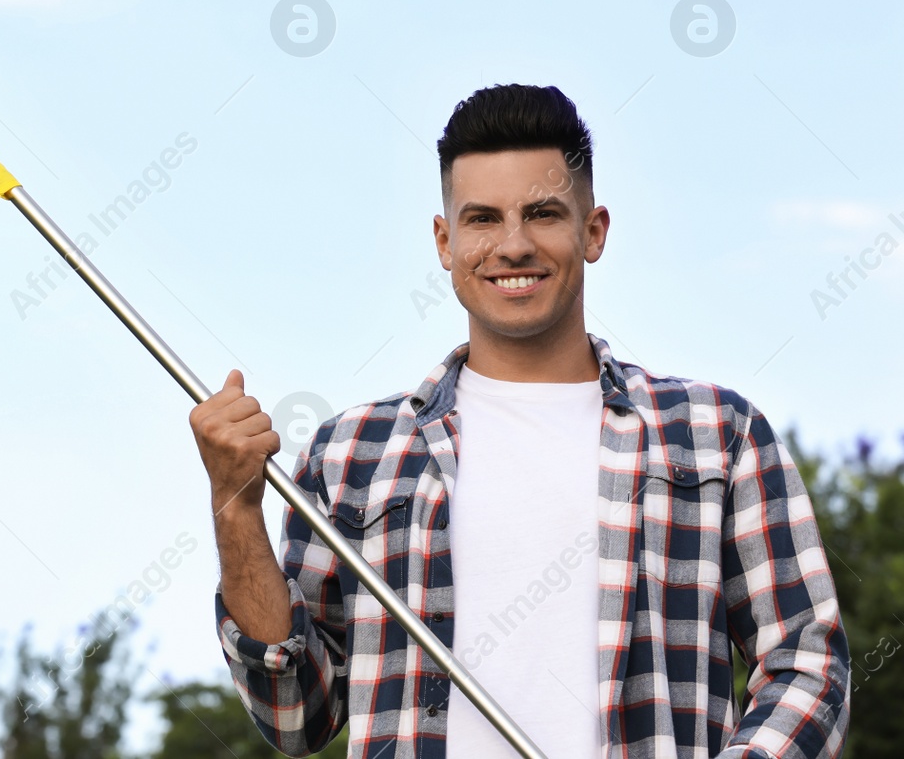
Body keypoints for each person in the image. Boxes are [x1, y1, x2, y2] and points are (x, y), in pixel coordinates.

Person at [188, 84, 849, 758]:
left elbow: (807, 663)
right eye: (481, 218)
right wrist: (234, 508)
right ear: (445, 242)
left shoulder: (717, 434)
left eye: (542, 213)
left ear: (593, 231)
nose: (512, 244)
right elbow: (295, 712)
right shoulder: (351, 453)